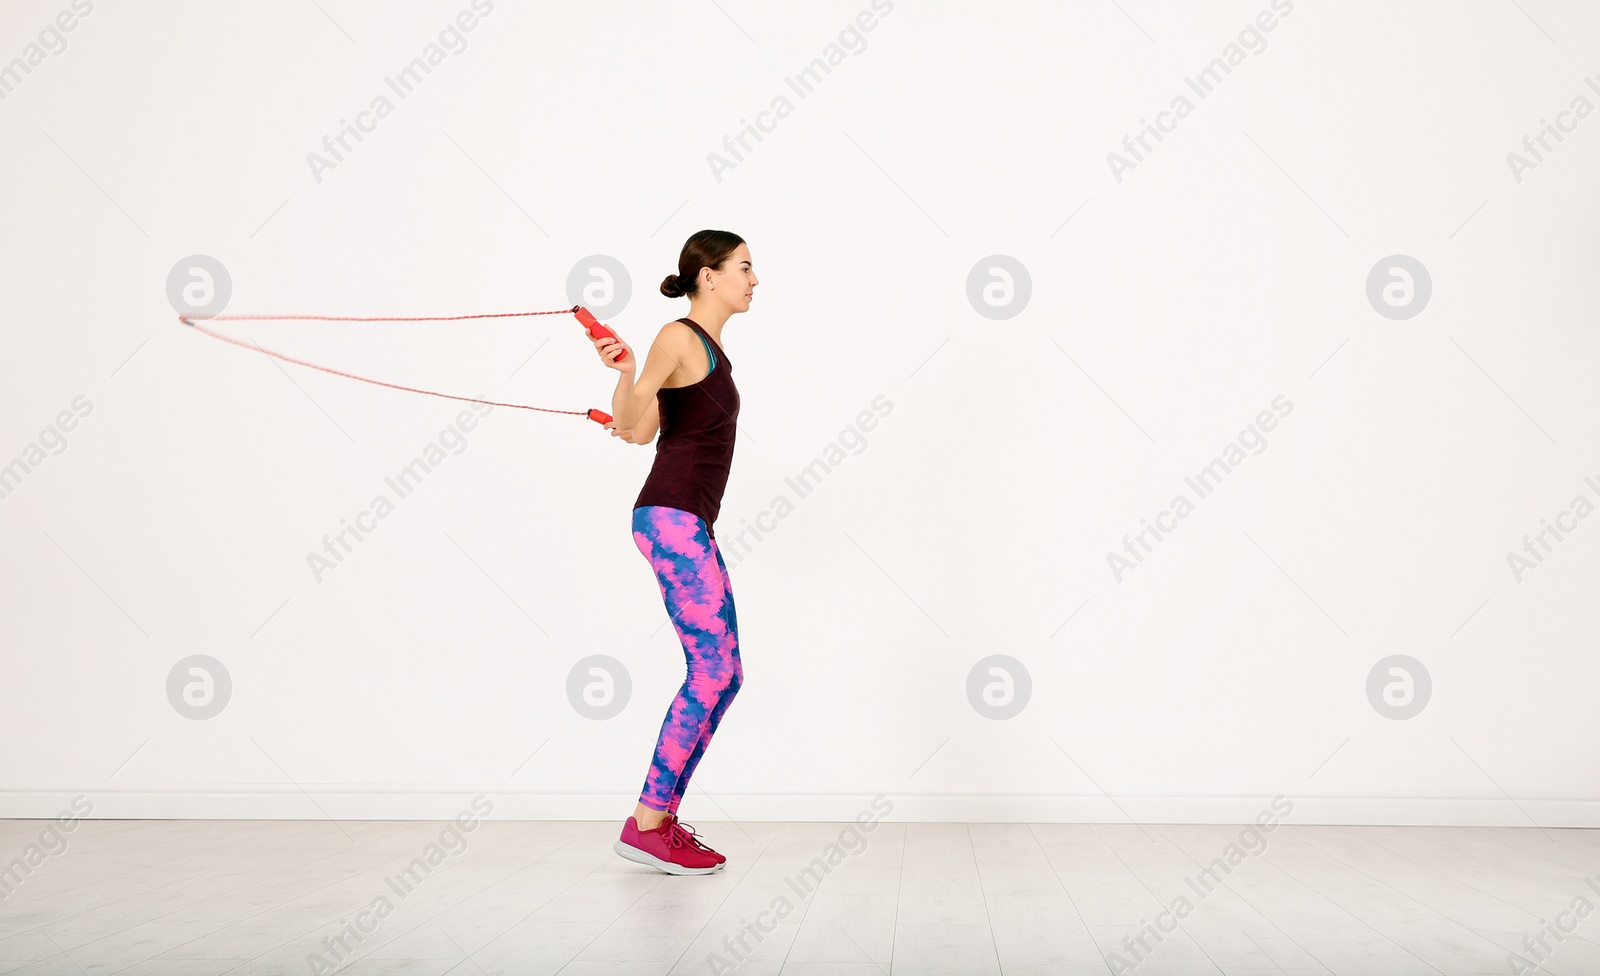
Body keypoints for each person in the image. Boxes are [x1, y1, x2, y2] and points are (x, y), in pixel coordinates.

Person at [585, 229, 757, 875]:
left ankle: (656, 819)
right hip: (672, 517)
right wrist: (629, 371)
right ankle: (648, 824)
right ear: (707, 275)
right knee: (715, 672)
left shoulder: (705, 350)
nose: (754, 279)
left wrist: (631, 377)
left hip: (685, 522)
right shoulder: (678, 336)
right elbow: (634, 424)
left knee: (723, 673)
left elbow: (636, 431)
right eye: (744, 267)